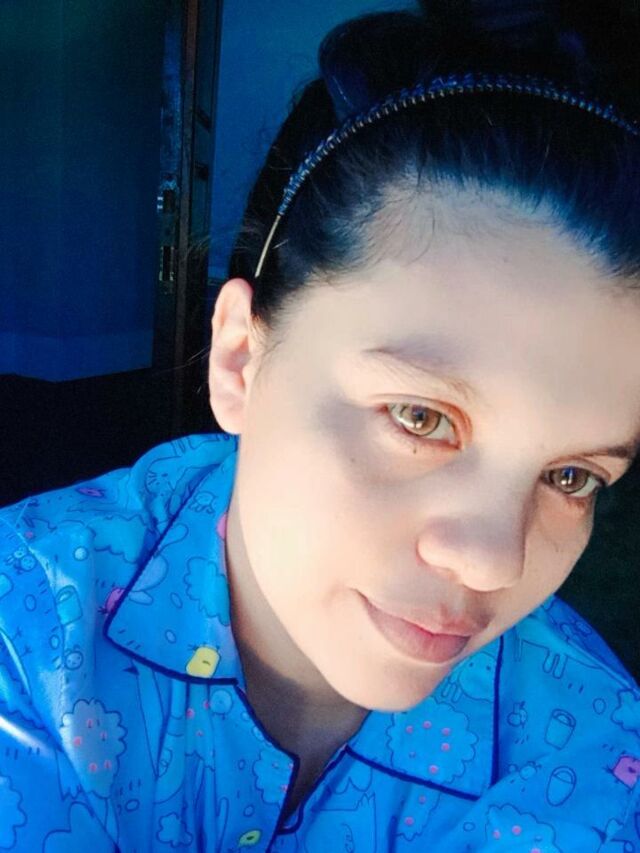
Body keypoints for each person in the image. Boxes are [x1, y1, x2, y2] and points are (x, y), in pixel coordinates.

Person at [1, 0, 640, 849]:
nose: (496, 560)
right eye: (420, 416)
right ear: (239, 359)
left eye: (571, 476)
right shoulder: (27, 625)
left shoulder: (593, 751)